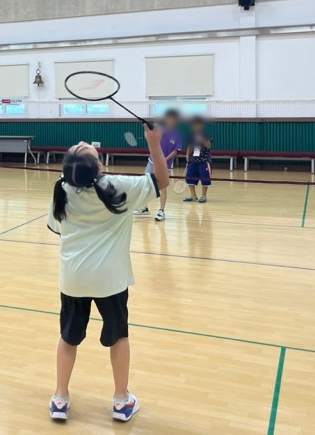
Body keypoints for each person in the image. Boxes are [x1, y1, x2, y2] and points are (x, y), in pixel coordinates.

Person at [47, 123, 169, 424]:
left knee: (68, 338)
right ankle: (121, 401)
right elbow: (162, 180)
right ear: (98, 166)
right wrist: (154, 143)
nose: (81, 140)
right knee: (118, 337)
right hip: (110, 281)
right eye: (82, 147)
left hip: (74, 280)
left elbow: (57, 228)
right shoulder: (119, 187)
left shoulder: (62, 188)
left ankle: (60, 398)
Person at [134, 109, 182, 221]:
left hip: (165, 165)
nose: (171, 121)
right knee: (145, 184)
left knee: (163, 188)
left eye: (173, 119)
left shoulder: (177, 135)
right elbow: (152, 140)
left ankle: (161, 211)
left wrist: (164, 160)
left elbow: (176, 151)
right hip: (152, 161)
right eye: (169, 119)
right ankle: (144, 207)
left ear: (176, 121)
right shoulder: (160, 131)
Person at [184, 116, 212, 203]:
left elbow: (209, 145)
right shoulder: (191, 134)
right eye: (194, 125)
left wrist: (202, 140)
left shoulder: (205, 134)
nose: (195, 127)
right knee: (189, 177)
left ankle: (204, 196)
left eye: (197, 125)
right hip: (193, 160)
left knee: (205, 178)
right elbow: (190, 145)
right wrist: (187, 154)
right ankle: (193, 195)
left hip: (204, 161)